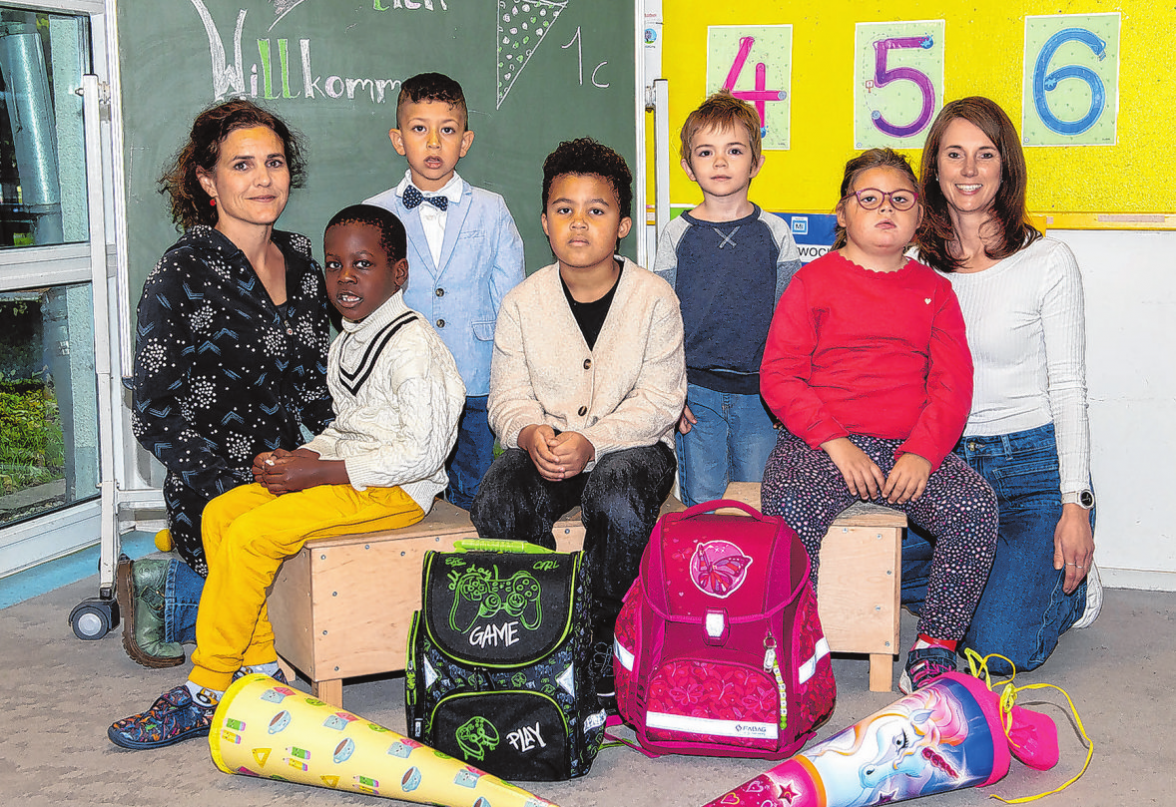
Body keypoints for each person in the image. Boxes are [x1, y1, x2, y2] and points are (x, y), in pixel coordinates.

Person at [108, 205, 466, 750]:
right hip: (349, 471)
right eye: (332, 265)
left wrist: (322, 472)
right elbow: (348, 427)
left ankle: (206, 686)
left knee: (255, 534)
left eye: (363, 264)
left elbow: (422, 452)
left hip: (394, 489)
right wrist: (298, 455)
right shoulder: (351, 336)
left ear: (399, 274)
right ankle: (260, 669)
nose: (345, 278)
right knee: (222, 511)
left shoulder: (412, 346)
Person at [758, 148, 998, 693]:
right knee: (789, 504)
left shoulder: (935, 291)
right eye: (868, 199)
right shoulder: (813, 282)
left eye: (900, 199)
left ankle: (936, 645)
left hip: (906, 445)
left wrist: (922, 452)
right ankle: (797, 646)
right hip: (822, 443)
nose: (884, 208)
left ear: (919, 217)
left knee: (975, 505)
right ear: (842, 214)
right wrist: (834, 442)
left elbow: (951, 385)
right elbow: (780, 375)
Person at [469, 138, 686, 709]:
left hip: (633, 446)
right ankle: (537, 638)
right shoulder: (522, 302)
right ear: (545, 222)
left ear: (624, 224)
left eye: (598, 209)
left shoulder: (654, 297)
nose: (580, 223)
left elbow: (661, 401)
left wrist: (593, 441)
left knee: (616, 495)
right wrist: (528, 433)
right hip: (552, 446)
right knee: (497, 497)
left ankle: (599, 641)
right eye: (565, 209)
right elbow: (508, 399)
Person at [120, 100, 333, 669]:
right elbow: (153, 413)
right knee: (242, 629)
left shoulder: (305, 264)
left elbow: (316, 384)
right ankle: (158, 589)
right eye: (242, 166)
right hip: (214, 485)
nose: (263, 179)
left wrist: (349, 451)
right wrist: (238, 482)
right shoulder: (180, 272)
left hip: (291, 471)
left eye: (275, 162)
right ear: (207, 179)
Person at [908, 97, 1099, 674]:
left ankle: (1071, 592)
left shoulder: (1048, 261)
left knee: (995, 651)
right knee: (871, 567)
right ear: (934, 169)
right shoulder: (916, 265)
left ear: (1005, 166)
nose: (969, 170)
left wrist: (1076, 504)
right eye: (954, 154)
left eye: (984, 154)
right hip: (948, 468)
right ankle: (1006, 577)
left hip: (1032, 472)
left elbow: (1069, 387)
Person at [365, 72, 525, 510]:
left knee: (475, 488)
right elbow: (369, 305)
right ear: (399, 140)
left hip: (478, 377)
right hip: (408, 381)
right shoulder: (374, 213)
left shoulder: (492, 209)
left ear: (466, 141)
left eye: (447, 130)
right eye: (420, 129)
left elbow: (510, 299)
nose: (434, 143)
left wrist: (510, 376)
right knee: (410, 496)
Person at [654, 91, 800, 507]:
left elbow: (791, 322)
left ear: (756, 162)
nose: (720, 162)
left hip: (762, 398)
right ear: (687, 166)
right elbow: (661, 323)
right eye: (706, 152)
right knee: (703, 502)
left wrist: (786, 394)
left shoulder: (776, 233)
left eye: (734, 150)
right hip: (695, 397)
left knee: (756, 504)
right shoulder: (675, 235)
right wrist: (673, 392)